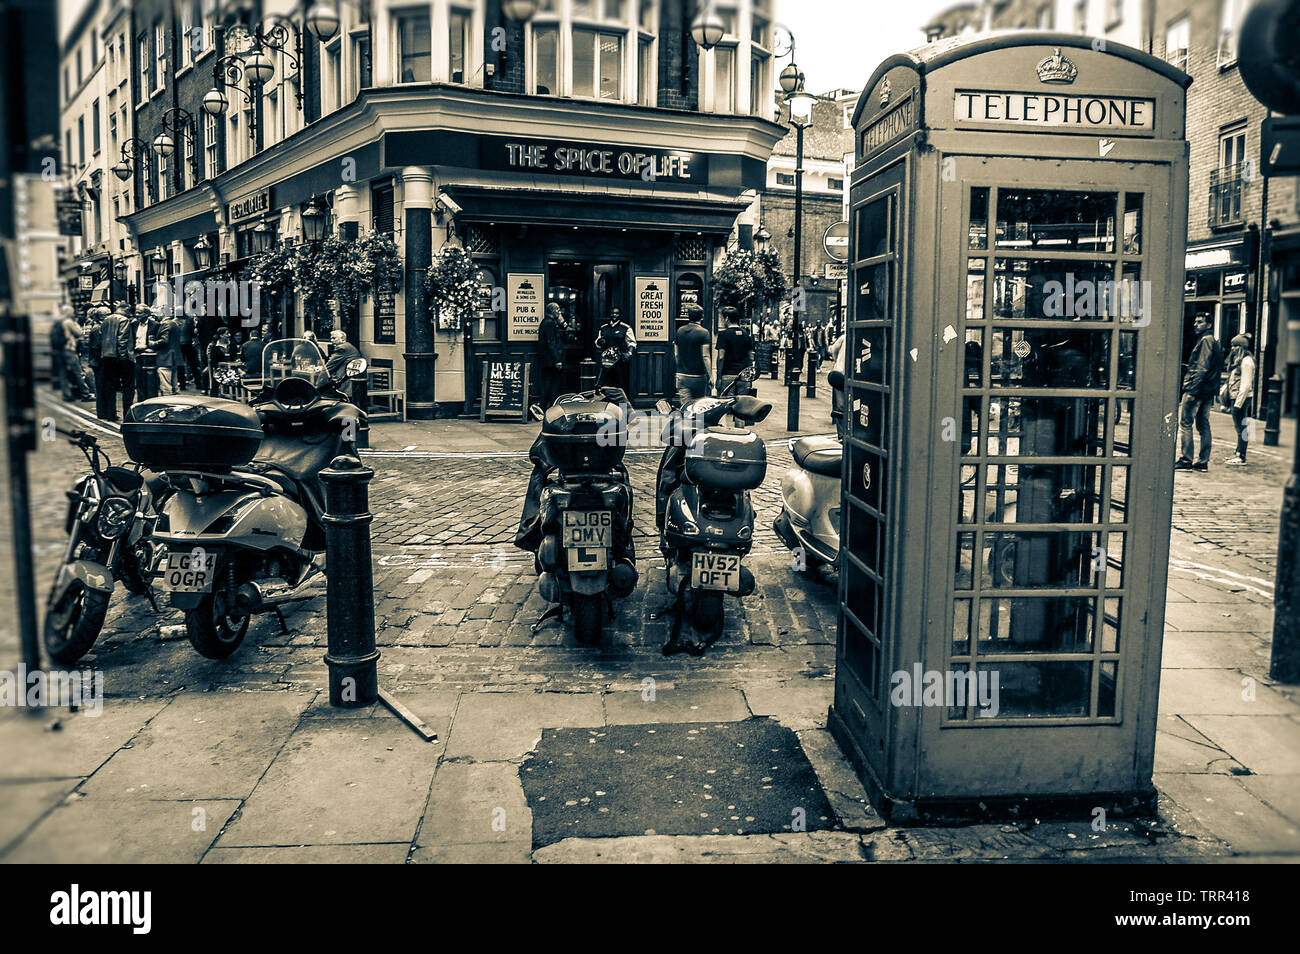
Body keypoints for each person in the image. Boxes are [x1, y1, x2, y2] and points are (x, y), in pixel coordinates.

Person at [1175, 313, 1226, 472]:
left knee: (1186, 423)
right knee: (1203, 425)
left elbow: (1201, 368)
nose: (1196, 325)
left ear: (1209, 325)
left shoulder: (1205, 341)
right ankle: (1203, 461)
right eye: (1195, 322)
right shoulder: (1215, 342)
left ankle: (1186, 459)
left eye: (1200, 322)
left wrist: (1192, 390)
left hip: (1197, 390)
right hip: (1208, 392)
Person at [1222, 334, 1256, 466]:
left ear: (1242, 347)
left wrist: (1238, 404)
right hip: (1236, 397)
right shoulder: (1240, 360)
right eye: (1232, 345)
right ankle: (1238, 452)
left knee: (1241, 428)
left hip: (1241, 398)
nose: (1233, 348)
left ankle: (1241, 456)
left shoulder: (1247, 361)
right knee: (1240, 427)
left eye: (1236, 345)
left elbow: (1246, 385)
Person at [674, 304, 712, 407]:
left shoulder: (680, 331)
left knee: (686, 407)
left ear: (688, 316)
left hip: (682, 375)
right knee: (698, 406)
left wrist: (679, 369)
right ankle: (697, 423)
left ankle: (687, 423)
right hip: (698, 376)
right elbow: (705, 356)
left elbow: (676, 354)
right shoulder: (704, 333)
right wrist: (711, 376)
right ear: (702, 317)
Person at [595, 306, 636, 397]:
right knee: (606, 383)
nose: (614, 315)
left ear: (620, 315)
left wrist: (629, 353)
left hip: (620, 360)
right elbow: (597, 342)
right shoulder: (603, 327)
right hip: (606, 361)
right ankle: (608, 405)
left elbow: (632, 343)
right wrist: (600, 342)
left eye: (616, 313)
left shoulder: (626, 328)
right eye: (612, 313)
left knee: (620, 384)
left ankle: (622, 407)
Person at [715, 306, 755, 395]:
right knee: (741, 405)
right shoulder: (746, 334)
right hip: (744, 376)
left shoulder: (723, 334)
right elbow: (750, 356)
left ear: (727, 318)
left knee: (727, 404)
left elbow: (721, 357)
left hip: (728, 375)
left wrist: (718, 377)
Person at [535, 302, 566, 411]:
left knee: (548, 383)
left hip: (547, 360)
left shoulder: (547, 322)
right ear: (552, 311)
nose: (559, 312)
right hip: (550, 361)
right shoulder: (550, 323)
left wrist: (562, 322)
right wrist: (557, 360)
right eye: (557, 310)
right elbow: (551, 343)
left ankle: (545, 407)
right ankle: (548, 408)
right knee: (552, 384)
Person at [149, 307, 186, 396]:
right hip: (173, 357)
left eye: (157, 313)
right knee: (174, 385)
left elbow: (164, 340)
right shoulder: (174, 323)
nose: (155, 315)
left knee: (166, 385)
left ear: (163, 313)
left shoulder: (166, 324)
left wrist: (152, 343)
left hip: (165, 357)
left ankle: (168, 404)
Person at [326, 329, 363, 398]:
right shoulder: (348, 346)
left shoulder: (342, 348)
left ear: (342, 339)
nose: (331, 340)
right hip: (352, 379)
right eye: (331, 338)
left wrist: (319, 374)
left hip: (344, 381)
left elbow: (330, 366)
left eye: (334, 338)